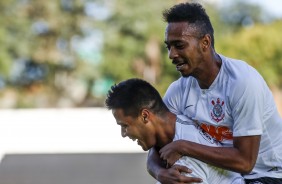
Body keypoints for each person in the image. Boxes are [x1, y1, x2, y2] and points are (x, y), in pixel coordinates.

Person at [146, 2, 282, 184]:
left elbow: (245, 162)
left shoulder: (242, 82)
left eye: (179, 45)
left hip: (265, 174)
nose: (171, 54)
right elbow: (158, 143)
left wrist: (184, 146)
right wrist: (159, 173)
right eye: (168, 47)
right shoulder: (178, 90)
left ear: (205, 42)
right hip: (223, 172)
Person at [105, 78, 244, 184]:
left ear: (145, 116)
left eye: (125, 126)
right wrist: (159, 172)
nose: (123, 134)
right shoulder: (181, 122)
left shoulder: (184, 164)